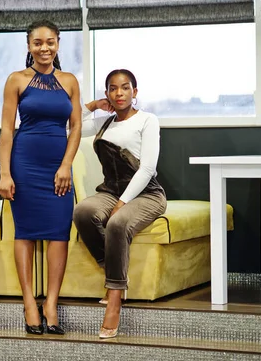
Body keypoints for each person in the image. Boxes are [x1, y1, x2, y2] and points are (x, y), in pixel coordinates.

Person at [0, 20, 82, 335]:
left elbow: (76, 127)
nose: (44, 48)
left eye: (50, 42)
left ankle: (50, 304)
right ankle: (29, 304)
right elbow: (7, 130)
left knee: (59, 233)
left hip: (57, 166)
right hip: (24, 162)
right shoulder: (16, 80)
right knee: (26, 232)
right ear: (29, 46)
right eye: (37, 43)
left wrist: (66, 165)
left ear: (58, 43)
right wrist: (5, 173)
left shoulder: (70, 81)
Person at [73, 69, 167, 339]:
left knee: (117, 222)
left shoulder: (148, 120)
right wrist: (91, 106)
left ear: (134, 92)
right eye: (113, 89)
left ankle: (114, 298)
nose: (119, 93)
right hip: (110, 190)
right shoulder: (104, 124)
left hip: (146, 193)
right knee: (83, 212)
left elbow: (148, 168)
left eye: (125, 88)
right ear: (107, 94)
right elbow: (71, 127)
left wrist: (123, 202)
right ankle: (112, 268)